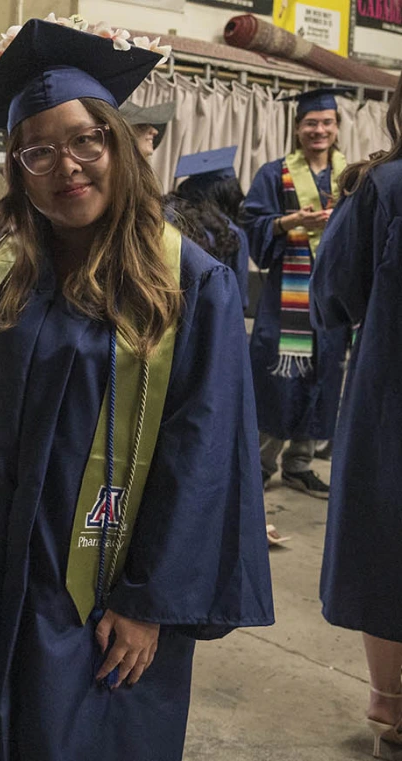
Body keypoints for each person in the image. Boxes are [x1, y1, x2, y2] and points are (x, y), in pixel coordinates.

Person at [0, 17, 274, 761]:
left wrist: (148, 602)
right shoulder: (1, 275)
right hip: (7, 579)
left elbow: (203, 456)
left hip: (109, 591)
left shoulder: (190, 282)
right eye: (38, 151)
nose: (66, 166)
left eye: (85, 141)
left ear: (117, 144)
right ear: (17, 171)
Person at [311, 74, 402, 759]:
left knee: (388, 546)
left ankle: (393, 708)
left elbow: (335, 295)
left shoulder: (381, 189)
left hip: (390, 403)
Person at [240, 87, 351, 498]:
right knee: (278, 378)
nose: (318, 130)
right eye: (310, 123)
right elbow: (252, 224)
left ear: (337, 128)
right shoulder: (274, 173)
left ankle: (299, 466)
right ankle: (260, 465)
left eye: (326, 122)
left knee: (322, 375)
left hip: (332, 296)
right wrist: (293, 221)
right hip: (287, 295)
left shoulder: (350, 175)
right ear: (298, 127)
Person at [173, 147, 250, 311]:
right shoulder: (232, 233)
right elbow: (236, 299)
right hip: (207, 317)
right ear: (229, 192)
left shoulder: (166, 217)